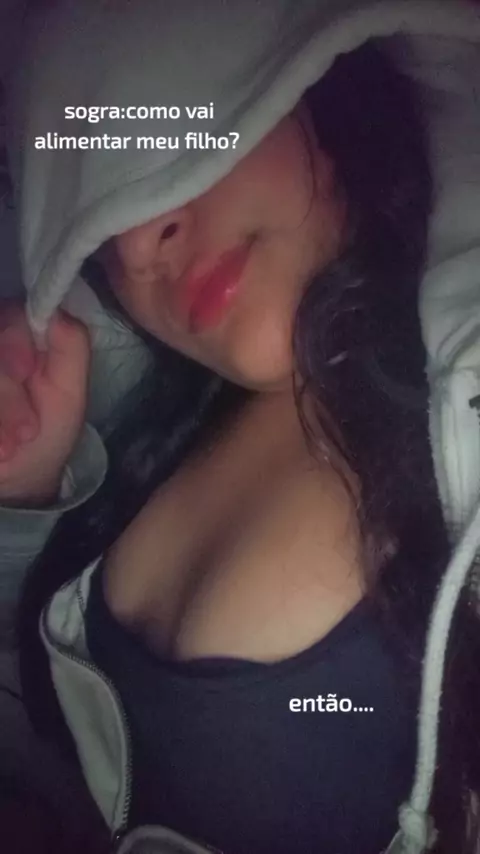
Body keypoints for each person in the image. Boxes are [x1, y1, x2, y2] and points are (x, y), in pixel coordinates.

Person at [1, 0, 480, 852]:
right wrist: (27, 507)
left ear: (321, 73)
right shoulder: (162, 435)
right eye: (96, 226)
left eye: (168, 133)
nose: (139, 248)